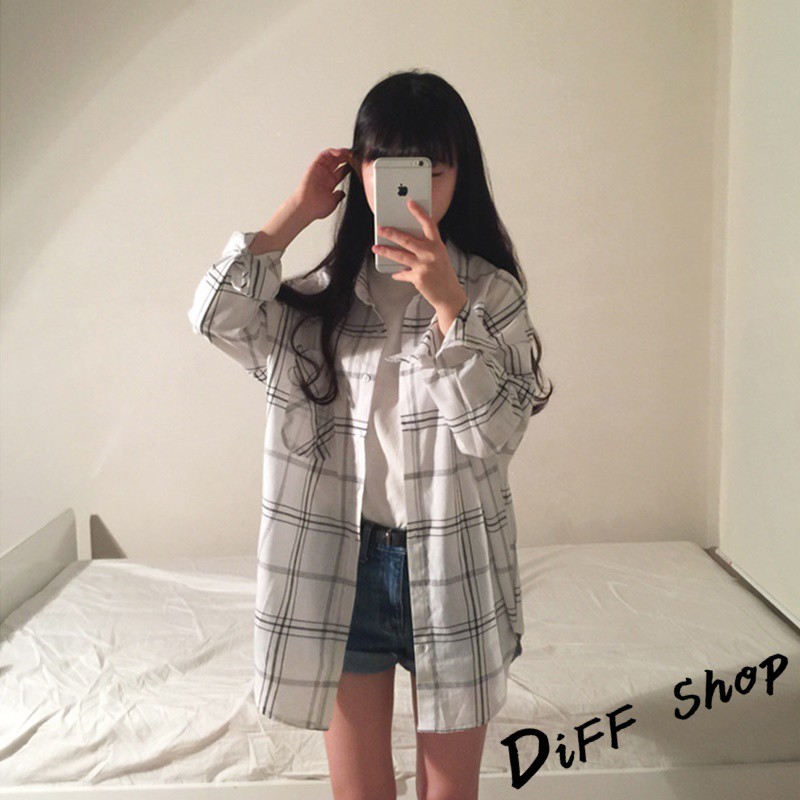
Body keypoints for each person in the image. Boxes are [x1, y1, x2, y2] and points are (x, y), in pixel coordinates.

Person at [188, 69, 552, 800]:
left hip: (453, 565)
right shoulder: (315, 302)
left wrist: (450, 308)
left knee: (449, 794)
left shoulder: (491, 294)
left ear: (460, 176)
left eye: (435, 171)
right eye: (390, 169)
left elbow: (495, 433)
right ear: (359, 173)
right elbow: (214, 317)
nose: (416, 190)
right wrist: (294, 214)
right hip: (342, 567)